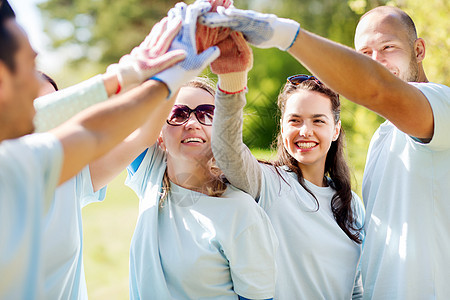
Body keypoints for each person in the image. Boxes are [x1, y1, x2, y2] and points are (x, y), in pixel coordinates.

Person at [200, 3, 450, 299]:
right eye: (365, 55)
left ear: (419, 50)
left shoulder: (441, 105)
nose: (376, 62)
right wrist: (230, 80)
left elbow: (376, 88)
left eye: (388, 47)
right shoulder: (382, 139)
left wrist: (283, 34)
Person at [0, 0, 219, 298]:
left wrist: (164, 74)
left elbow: (92, 132)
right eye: (30, 67)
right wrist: (126, 74)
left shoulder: (28, 164)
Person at [201, 22, 364, 298]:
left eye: (318, 121)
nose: (305, 131)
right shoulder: (268, 184)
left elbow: (357, 288)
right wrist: (232, 79)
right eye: (295, 120)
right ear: (282, 128)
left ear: (335, 130)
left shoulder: (351, 204)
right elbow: (227, 149)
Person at [124, 76, 278, 300]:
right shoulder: (150, 174)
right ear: (159, 134)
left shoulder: (241, 211)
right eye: (178, 114)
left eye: (207, 114)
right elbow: (125, 104)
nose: (192, 123)